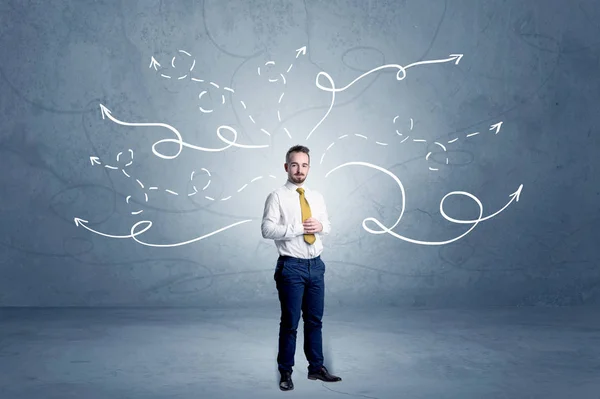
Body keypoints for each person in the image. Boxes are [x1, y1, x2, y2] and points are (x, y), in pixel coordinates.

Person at [261, 144, 342, 391]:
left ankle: (316, 368)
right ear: (286, 167)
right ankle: (285, 372)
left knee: (315, 321)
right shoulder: (276, 196)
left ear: (309, 167)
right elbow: (267, 230)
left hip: (316, 266)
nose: (299, 169)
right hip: (291, 267)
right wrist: (298, 228)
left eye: (304, 165)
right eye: (294, 164)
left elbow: (326, 225)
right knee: (290, 323)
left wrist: (319, 226)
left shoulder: (316, 197)